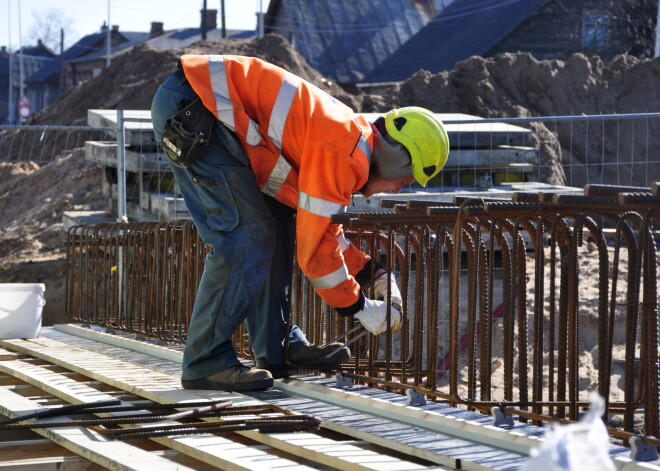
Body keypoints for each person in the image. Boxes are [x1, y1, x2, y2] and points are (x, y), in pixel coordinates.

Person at [150, 54, 449, 392]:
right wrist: (359, 307)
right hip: (197, 106)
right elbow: (315, 255)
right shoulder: (345, 151)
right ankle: (205, 361)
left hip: (209, 107)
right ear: (397, 159)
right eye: (406, 179)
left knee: (274, 229)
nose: (398, 188)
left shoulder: (349, 142)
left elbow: (321, 229)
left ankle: (277, 350)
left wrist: (371, 272)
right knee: (245, 237)